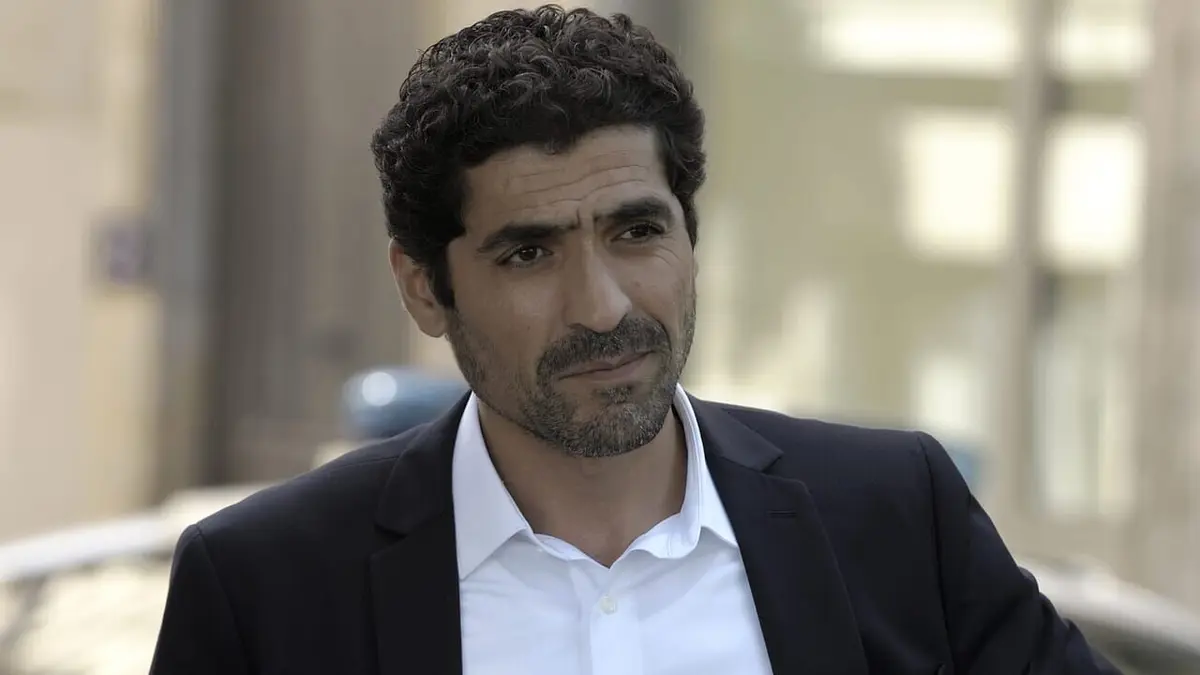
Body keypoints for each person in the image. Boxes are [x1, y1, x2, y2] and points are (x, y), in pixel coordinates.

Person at [150, 5, 1121, 674]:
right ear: (423, 287)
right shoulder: (266, 586)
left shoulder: (895, 515)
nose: (604, 307)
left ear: (691, 236)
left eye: (636, 230)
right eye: (529, 253)